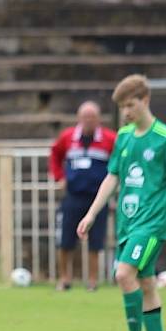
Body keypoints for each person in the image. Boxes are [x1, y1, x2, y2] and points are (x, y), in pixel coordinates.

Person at [78, 74, 166, 331]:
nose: (126, 112)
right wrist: (91, 214)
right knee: (146, 282)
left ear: (145, 100)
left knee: (123, 274)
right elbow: (112, 177)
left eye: (131, 105)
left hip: (152, 224)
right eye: (123, 108)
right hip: (127, 223)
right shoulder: (125, 138)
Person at [49, 101, 116, 291]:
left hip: (97, 198)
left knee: (96, 241)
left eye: (92, 117)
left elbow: (118, 162)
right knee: (65, 239)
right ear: (79, 118)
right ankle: (64, 278)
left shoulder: (110, 139)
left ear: (99, 119)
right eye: (85, 117)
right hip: (73, 195)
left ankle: (93, 280)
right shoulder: (68, 137)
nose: (89, 121)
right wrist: (59, 177)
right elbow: (55, 154)